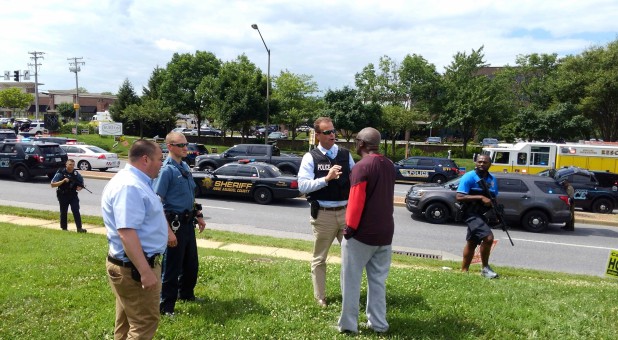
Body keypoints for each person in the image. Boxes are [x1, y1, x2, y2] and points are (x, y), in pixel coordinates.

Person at [102, 139, 168, 339]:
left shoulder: (136, 181)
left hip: (130, 266)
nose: (161, 164)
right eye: (159, 159)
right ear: (146, 159)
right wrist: (145, 271)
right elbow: (127, 233)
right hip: (135, 269)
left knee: (125, 323)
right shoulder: (130, 186)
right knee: (144, 323)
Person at [338, 127, 395, 334]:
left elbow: (356, 201)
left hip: (362, 234)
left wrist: (349, 229)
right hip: (385, 233)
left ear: (361, 143)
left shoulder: (362, 166)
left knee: (350, 281)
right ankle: (379, 324)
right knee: (378, 282)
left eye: (356, 140)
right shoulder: (389, 164)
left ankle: (348, 326)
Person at [298, 117, 355, 307]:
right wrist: (326, 179)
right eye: (328, 132)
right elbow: (303, 186)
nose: (333, 135)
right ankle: (320, 297)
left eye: (333, 131)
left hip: (346, 212)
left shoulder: (345, 155)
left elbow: (355, 179)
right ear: (318, 136)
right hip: (323, 214)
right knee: (320, 258)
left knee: (351, 256)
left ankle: (349, 295)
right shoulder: (311, 157)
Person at [154, 132, 206, 316]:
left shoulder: (184, 166)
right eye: (181, 145)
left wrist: (198, 214)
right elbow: (156, 203)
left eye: (186, 144)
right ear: (169, 146)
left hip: (187, 222)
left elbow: (190, 195)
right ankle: (166, 306)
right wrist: (168, 232)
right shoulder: (166, 170)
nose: (186, 148)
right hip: (173, 224)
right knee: (171, 267)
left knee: (191, 263)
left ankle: (186, 294)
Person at [457, 154, 500, 279]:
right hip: (470, 214)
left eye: (485, 162)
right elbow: (459, 196)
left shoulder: (492, 179)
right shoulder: (469, 176)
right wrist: (480, 197)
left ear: (490, 164)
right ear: (476, 162)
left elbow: (493, 198)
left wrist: (497, 213)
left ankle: (464, 271)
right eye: (479, 162)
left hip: (483, 215)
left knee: (472, 242)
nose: (481, 164)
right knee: (488, 238)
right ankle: (485, 269)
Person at [50, 159, 86, 233]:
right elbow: (52, 184)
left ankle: (79, 228)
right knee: (63, 211)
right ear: (66, 165)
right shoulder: (61, 173)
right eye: (70, 164)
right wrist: (63, 181)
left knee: (76, 210)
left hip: (73, 195)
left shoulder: (76, 174)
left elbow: (81, 183)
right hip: (63, 195)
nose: (72, 166)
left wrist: (80, 187)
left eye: (73, 165)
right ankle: (64, 228)